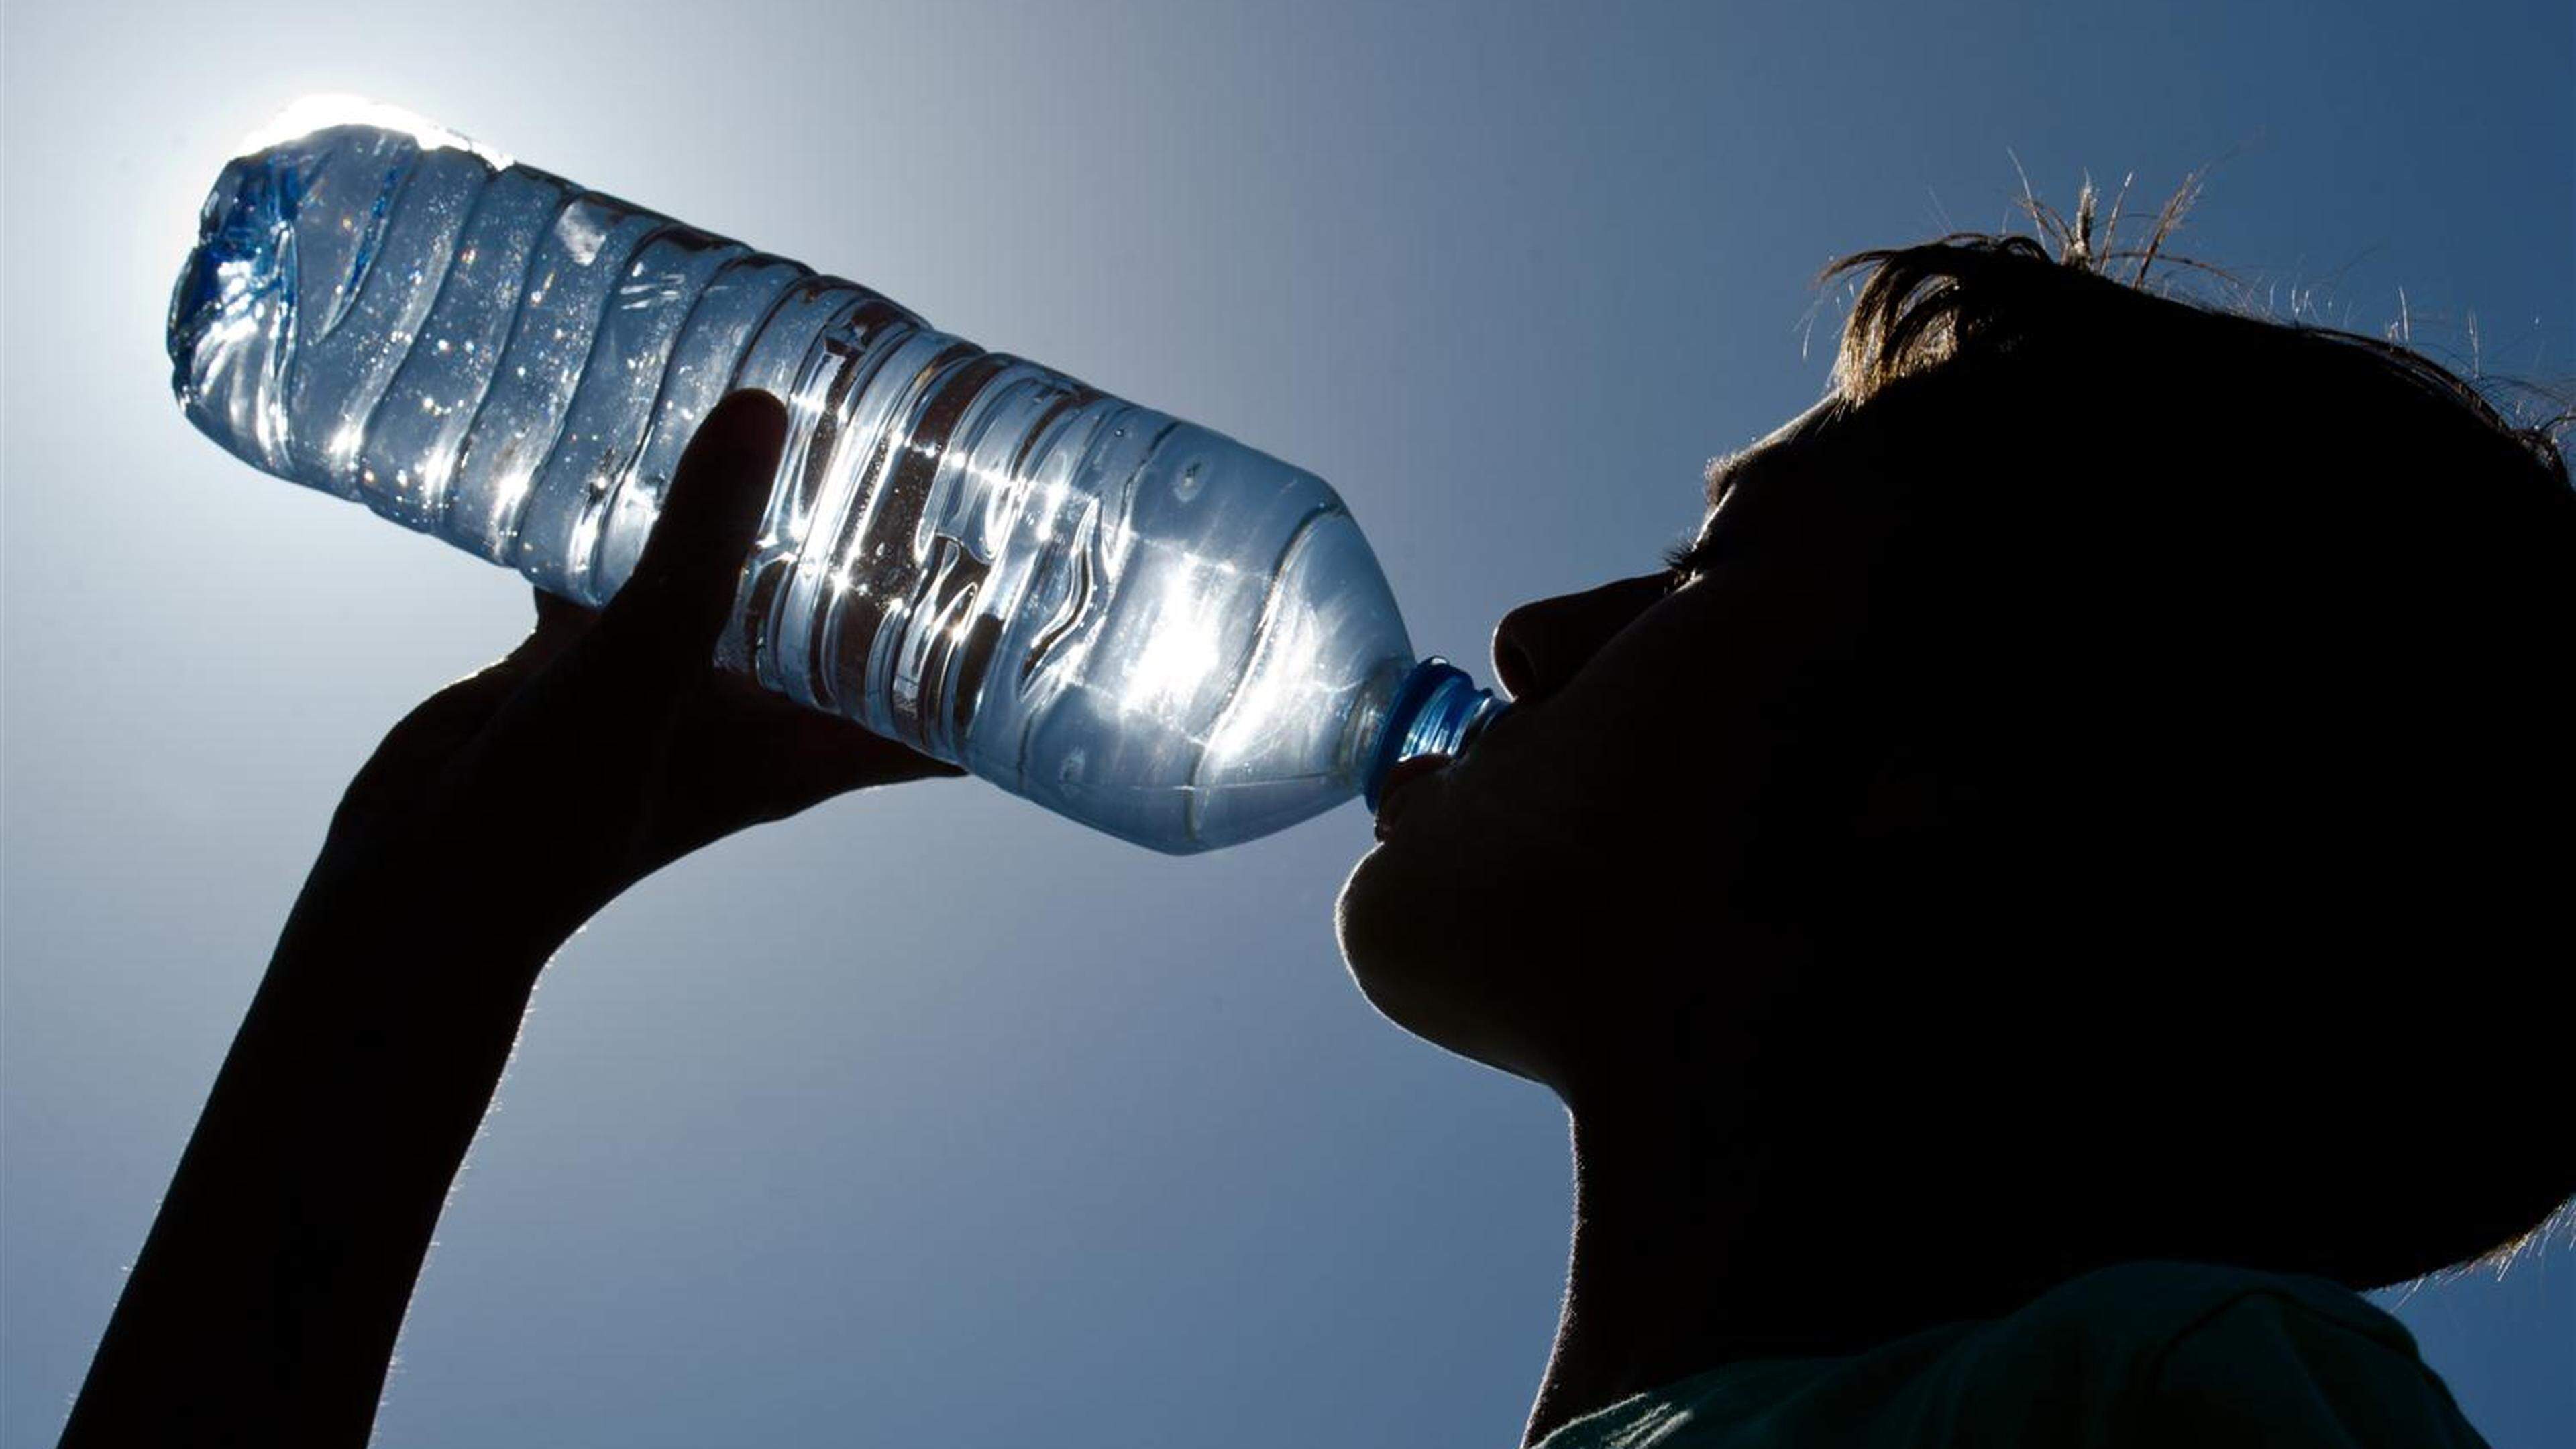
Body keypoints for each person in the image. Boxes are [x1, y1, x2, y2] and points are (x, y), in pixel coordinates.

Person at [62, 211, 2575, 1448]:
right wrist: (415, 946)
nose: (1556, 619)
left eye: (1715, 570)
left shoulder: (2177, 1405)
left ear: (1961, 785)